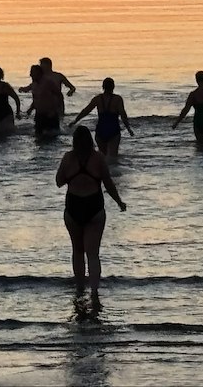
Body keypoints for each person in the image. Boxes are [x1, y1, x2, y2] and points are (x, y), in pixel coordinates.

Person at [55, 126, 126, 295]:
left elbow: (58, 182)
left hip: (73, 207)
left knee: (77, 251)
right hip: (94, 207)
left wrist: (73, 176)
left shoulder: (68, 158)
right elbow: (108, 183)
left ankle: (80, 288)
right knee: (93, 254)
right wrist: (119, 202)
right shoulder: (98, 158)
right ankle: (94, 292)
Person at [70, 78, 135, 159]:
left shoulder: (97, 99)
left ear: (103, 87)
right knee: (112, 157)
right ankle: (112, 171)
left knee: (102, 157)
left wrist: (75, 121)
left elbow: (86, 111)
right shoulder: (117, 99)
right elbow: (123, 115)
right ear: (113, 87)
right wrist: (128, 129)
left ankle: (101, 170)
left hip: (101, 130)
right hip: (113, 130)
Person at [24, 64, 62, 138]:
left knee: (53, 137)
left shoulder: (48, 82)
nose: (30, 74)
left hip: (50, 113)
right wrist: (31, 109)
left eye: (32, 72)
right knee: (38, 137)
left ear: (39, 73)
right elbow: (36, 99)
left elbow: (59, 95)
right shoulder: (34, 84)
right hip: (39, 114)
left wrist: (55, 110)